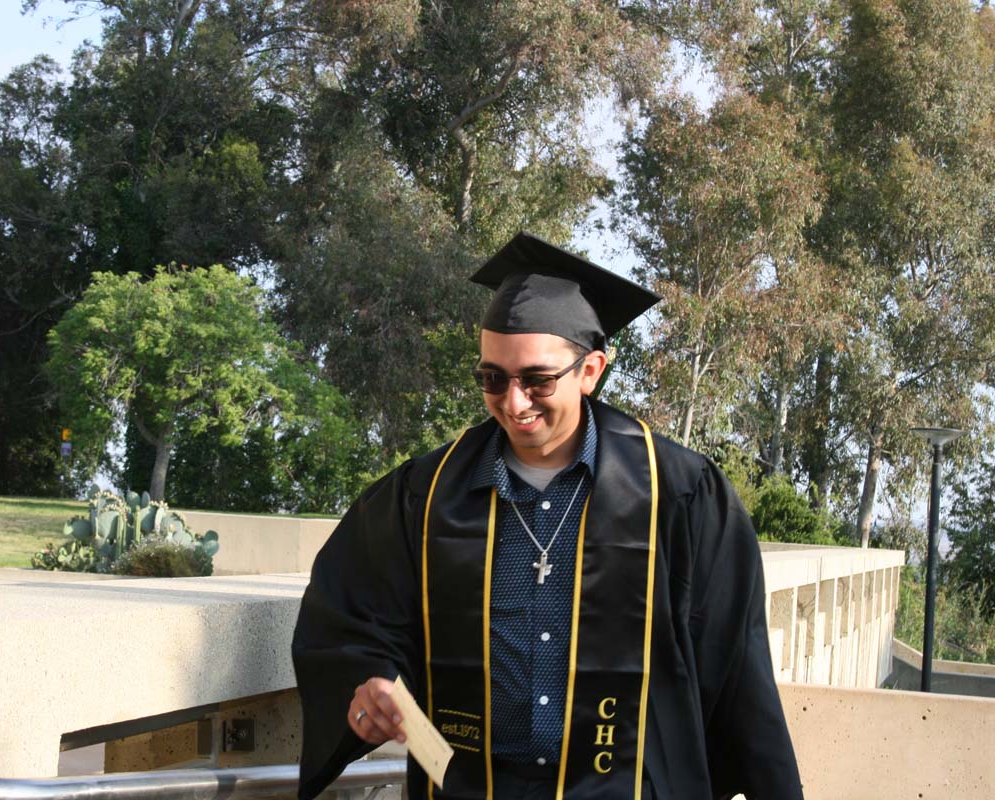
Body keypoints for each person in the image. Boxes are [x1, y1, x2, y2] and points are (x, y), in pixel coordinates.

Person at [291, 232, 803, 799]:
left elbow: (737, 670)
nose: (513, 402)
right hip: (466, 787)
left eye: (537, 380)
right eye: (492, 378)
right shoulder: (425, 496)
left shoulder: (678, 494)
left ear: (591, 371)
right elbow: (352, 618)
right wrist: (371, 683)